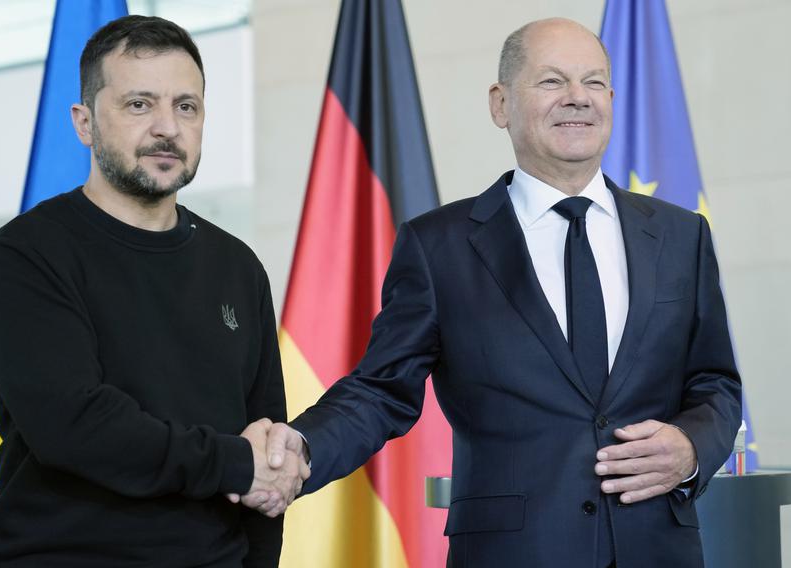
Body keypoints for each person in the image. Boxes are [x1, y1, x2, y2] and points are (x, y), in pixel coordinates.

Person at [249, 17, 742, 568]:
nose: (578, 98)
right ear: (500, 104)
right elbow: (382, 391)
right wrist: (302, 448)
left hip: (658, 548)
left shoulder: (680, 235)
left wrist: (694, 446)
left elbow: (715, 381)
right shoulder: (438, 246)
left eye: (594, 82)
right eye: (552, 81)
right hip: (512, 551)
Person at [0, 15, 307, 568]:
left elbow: (266, 441)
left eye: (186, 106)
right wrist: (233, 464)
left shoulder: (237, 267)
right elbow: (77, 426)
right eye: (138, 104)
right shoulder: (25, 255)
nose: (167, 128)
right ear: (84, 123)